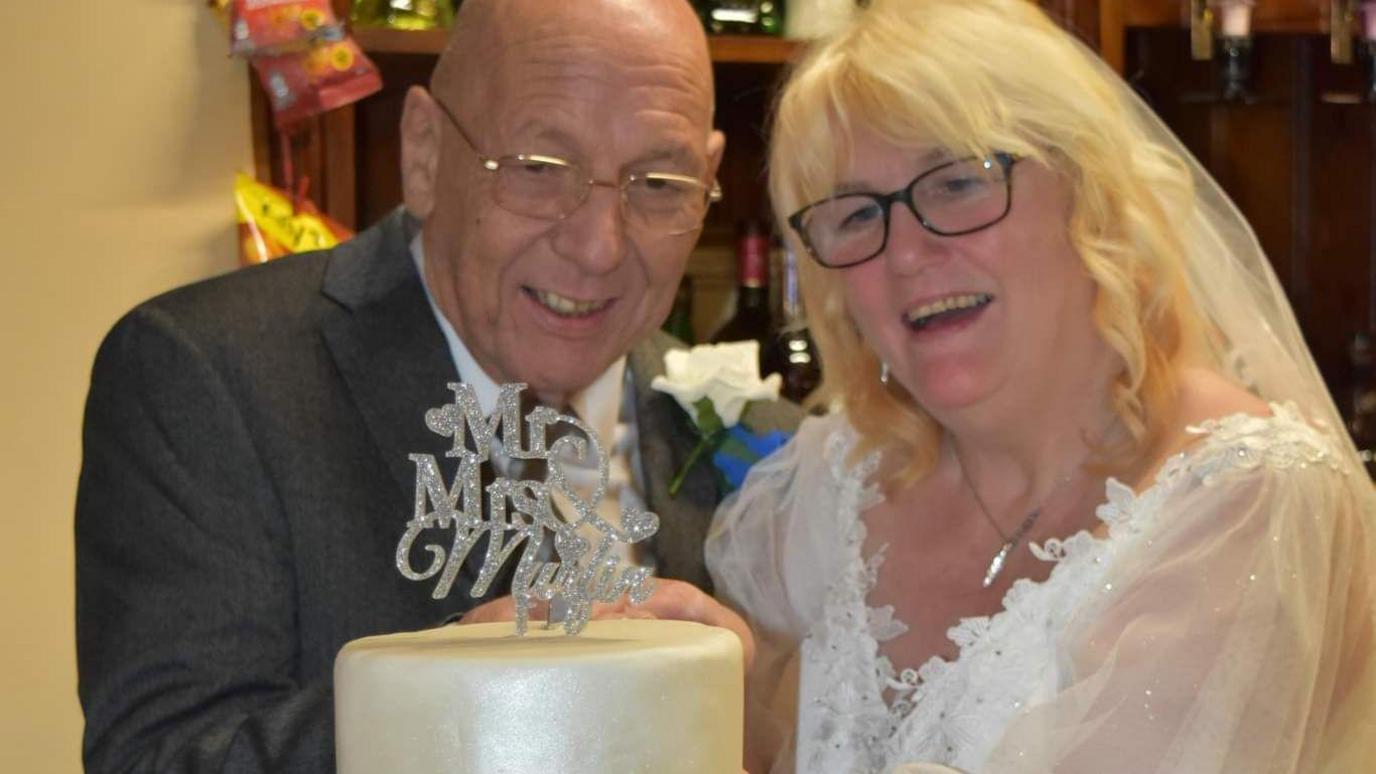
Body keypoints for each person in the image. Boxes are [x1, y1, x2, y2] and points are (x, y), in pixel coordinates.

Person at [74, 0, 798, 771]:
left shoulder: (758, 437)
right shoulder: (209, 377)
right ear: (422, 153)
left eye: (659, 183)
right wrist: (447, 690)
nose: (598, 246)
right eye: (541, 170)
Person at [699, 0, 1376, 771]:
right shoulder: (826, 489)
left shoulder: (1250, 499)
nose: (908, 254)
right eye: (856, 215)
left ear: (1090, 193)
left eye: (957, 182)